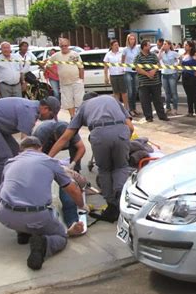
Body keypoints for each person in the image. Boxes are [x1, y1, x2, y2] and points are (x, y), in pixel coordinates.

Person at [0, 136, 84, 270]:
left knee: (15, 199)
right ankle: (43, 244)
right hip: (36, 216)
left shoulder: (10, 162)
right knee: (61, 236)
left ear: (21, 149)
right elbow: (72, 190)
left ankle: (23, 232)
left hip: (5, 216)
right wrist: (82, 206)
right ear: (40, 148)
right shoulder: (49, 161)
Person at [48, 93, 134, 222]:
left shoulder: (84, 106)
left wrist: (47, 158)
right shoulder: (112, 99)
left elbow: (66, 137)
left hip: (100, 135)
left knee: (105, 170)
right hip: (121, 132)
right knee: (121, 167)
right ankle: (121, 201)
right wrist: (123, 139)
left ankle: (112, 207)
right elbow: (131, 127)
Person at [0, 96, 60, 207]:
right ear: (45, 109)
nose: (48, 119)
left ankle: (7, 186)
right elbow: (25, 143)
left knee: (14, 154)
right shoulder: (29, 113)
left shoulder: (32, 108)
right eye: (51, 116)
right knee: (4, 158)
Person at [33, 121, 86, 232]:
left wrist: (73, 164)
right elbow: (39, 160)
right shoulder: (42, 133)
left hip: (9, 211)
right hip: (42, 166)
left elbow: (81, 148)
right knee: (61, 192)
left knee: (66, 192)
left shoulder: (71, 131)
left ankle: (72, 223)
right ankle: (70, 222)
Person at [46, 38, 84, 118]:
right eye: (62, 46)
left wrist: (81, 79)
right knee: (68, 102)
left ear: (68, 45)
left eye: (65, 45)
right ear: (60, 46)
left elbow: (81, 67)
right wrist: (56, 73)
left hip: (76, 81)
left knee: (79, 100)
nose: (64, 47)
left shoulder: (75, 54)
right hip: (64, 83)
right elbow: (48, 66)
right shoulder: (56, 56)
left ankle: (79, 116)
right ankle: (72, 116)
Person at [134, 40, 169, 122]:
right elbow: (137, 68)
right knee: (145, 101)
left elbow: (158, 64)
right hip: (143, 83)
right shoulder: (138, 57)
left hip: (155, 82)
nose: (150, 47)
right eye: (148, 45)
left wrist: (153, 71)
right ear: (144, 46)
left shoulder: (153, 55)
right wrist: (147, 74)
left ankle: (162, 116)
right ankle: (149, 117)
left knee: (158, 100)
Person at [104, 39, 128, 108]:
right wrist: (106, 77)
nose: (117, 46)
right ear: (111, 46)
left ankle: (126, 107)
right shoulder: (108, 54)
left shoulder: (122, 53)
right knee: (116, 93)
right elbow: (105, 66)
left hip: (122, 74)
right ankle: (118, 107)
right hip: (113, 75)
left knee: (124, 92)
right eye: (115, 45)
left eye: (117, 45)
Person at [158, 40, 180, 115]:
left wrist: (177, 65)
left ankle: (175, 108)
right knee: (167, 92)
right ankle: (168, 107)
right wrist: (161, 50)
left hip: (172, 74)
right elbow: (158, 59)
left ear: (169, 45)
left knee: (173, 92)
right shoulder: (163, 53)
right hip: (164, 73)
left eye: (165, 44)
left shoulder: (173, 53)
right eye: (163, 44)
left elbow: (180, 58)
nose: (164, 45)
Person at [181, 41, 196, 117]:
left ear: (190, 46)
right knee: (188, 94)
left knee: (194, 94)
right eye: (184, 45)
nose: (184, 46)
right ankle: (190, 111)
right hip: (185, 76)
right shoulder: (183, 55)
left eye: (186, 45)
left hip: (193, 76)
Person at [122, 33, 140, 116]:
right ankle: (129, 109)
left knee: (135, 90)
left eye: (133, 39)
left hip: (135, 71)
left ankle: (134, 108)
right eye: (130, 39)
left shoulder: (137, 49)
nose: (132, 40)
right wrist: (122, 70)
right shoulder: (125, 50)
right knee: (130, 91)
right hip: (128, 71)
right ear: (128, 40)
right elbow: (122, 61)